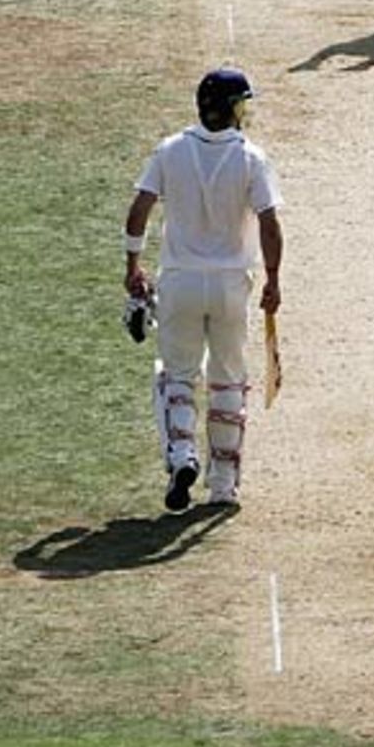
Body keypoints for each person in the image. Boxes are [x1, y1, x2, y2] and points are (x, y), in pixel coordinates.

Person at [123, 68, 284, 511]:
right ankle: (223, 485)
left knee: (176, 376)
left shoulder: (170, 150)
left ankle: (181, 456)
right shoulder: (252, 157)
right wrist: (273, 279)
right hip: (232, 286)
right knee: (229, 381)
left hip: (180, 282)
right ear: (229, 109)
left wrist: (132, 265)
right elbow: (269, 223)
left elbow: (139, 210)